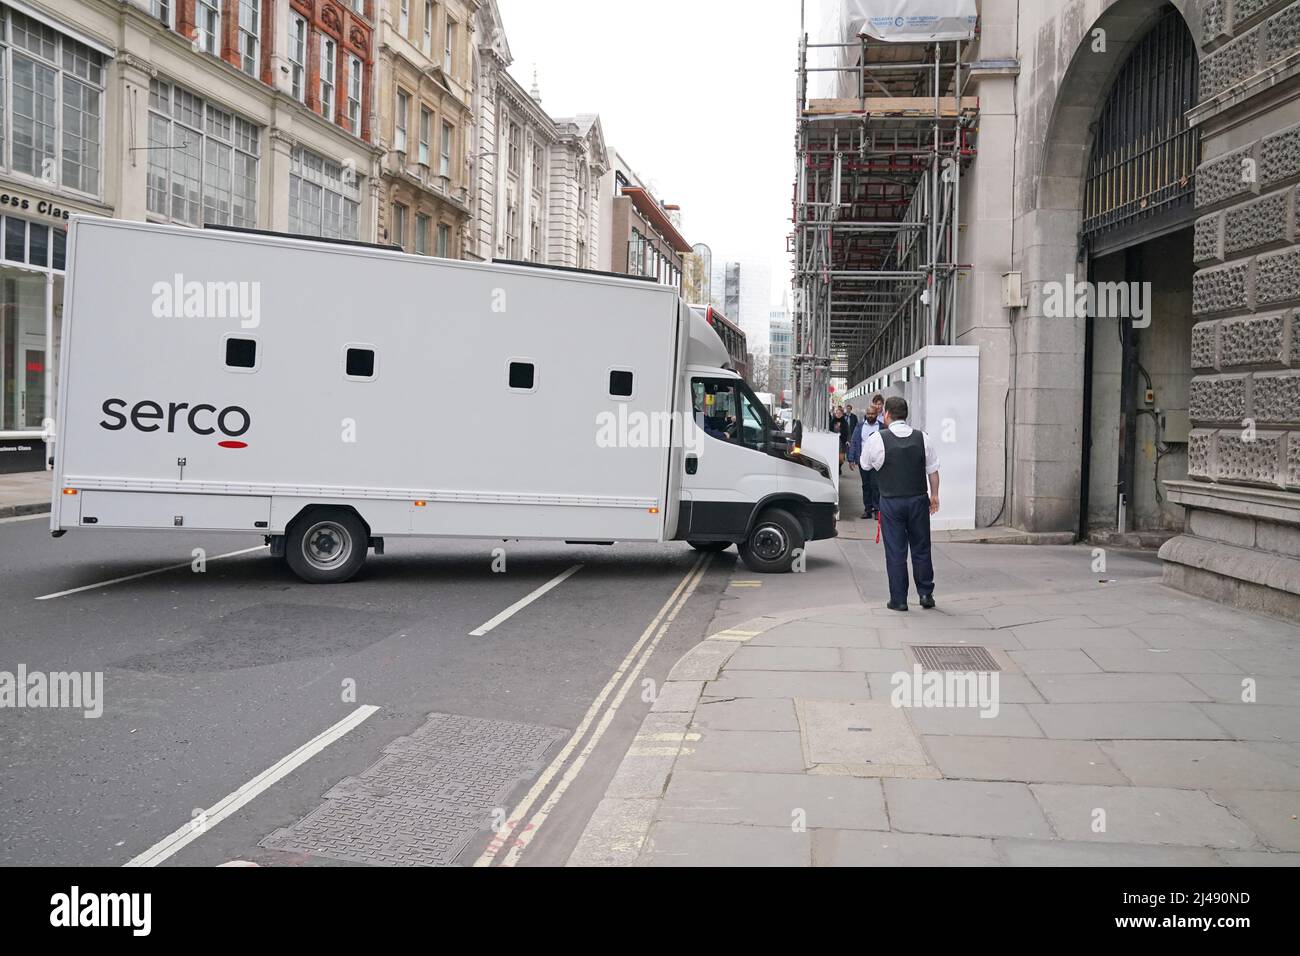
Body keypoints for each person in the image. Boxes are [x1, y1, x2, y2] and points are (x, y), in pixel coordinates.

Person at [860, 396, 939, 611]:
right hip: (918, 499)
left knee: (896, 551)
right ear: (906, 415)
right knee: (921, 547)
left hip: (891, 501)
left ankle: (899, 599)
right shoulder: (922, 438)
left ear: (886, 414)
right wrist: (935, 495)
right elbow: (932, 469)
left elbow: (865, 465)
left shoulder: (877, 438)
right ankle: (925, 594)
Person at [848, 394, 884, 519]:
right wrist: (851, 459)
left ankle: (877, 509)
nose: (870, 416)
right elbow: (854, 442)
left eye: (872, 414)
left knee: (876, 485)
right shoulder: (860, 426)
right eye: (868, 414)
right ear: (866, 414)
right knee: (866, 485)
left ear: (876, 414)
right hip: (863, 461)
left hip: (877, 461)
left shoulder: (882, 427)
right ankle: (867, 509)